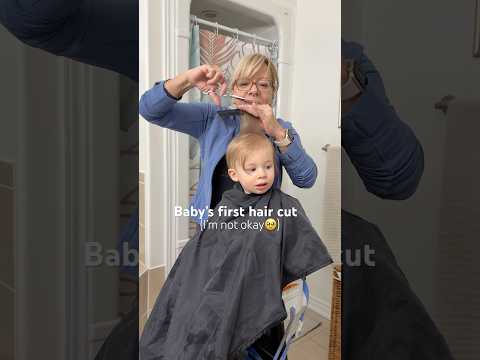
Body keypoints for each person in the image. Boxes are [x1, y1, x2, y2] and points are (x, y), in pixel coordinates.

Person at [139, 133, 332, 359]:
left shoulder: (284, 206)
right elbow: (202, 252)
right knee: (191, 319)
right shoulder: (227, 205)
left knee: (221, 325)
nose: (262, 174)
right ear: (234, 174)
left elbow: (295, 250)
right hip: (213, 286)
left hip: (253, 291)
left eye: (268, 166)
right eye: (252, 169)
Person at [139, 54, 317, 224]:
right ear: (234, 89)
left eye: (263, 85)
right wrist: (188, 79)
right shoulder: (212, 118)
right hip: (213, 229)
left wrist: (278, 133)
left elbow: (306, 180)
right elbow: (150, 111)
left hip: (260, 233)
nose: (253, 90)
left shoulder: (283, 130)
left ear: (273, 92)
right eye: (244, 83)